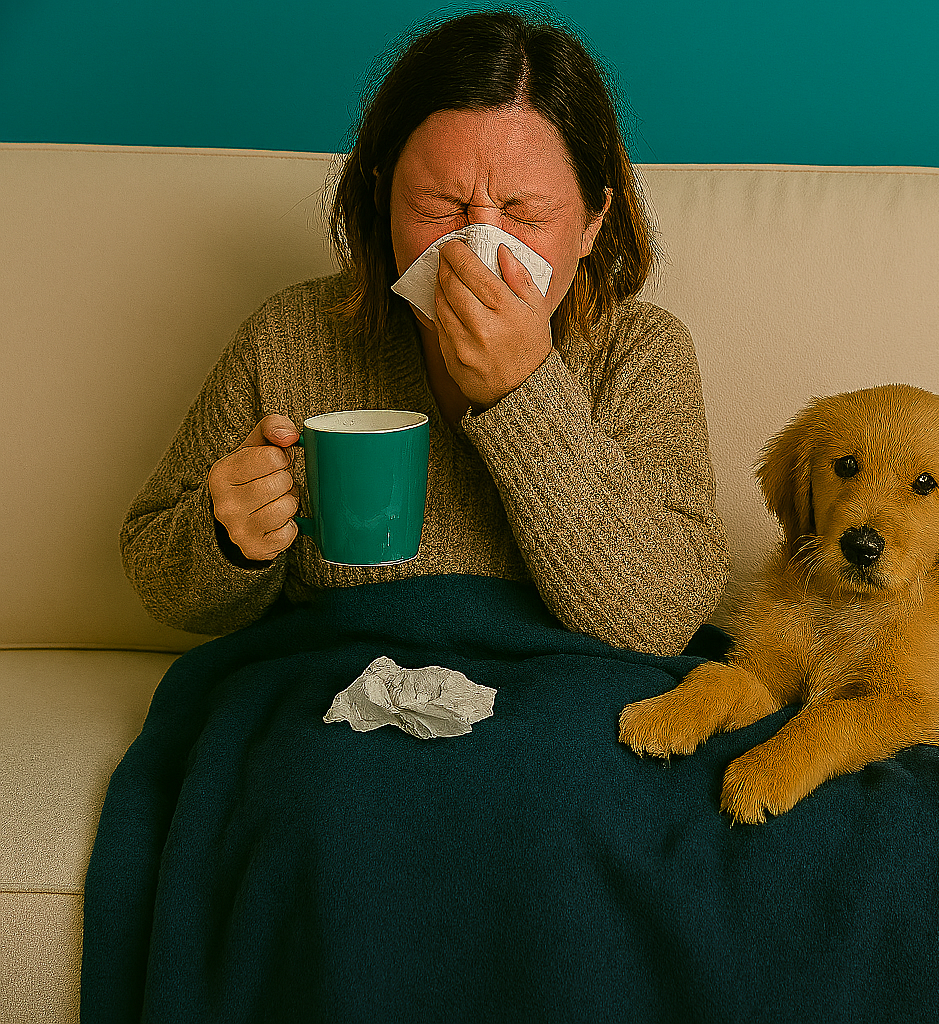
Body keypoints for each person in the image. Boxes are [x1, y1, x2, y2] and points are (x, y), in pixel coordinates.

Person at [120, 10, 729, 657]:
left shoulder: (641, 353)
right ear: (383, 199)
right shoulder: (291, 335)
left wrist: (524, 391)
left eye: (523, 213)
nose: (479, 246)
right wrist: (230, 538)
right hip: (343, 687)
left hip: (561, 694)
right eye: (441, 207)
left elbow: (661, 619)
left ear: (591, 223)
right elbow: (161, 580)